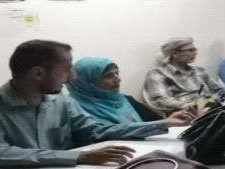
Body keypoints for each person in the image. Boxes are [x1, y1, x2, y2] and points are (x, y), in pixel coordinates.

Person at [0, 40, 139, 169]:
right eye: (67, 69)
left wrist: (154, 126)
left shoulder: (61, 100)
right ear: (38, 73)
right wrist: (79, 156)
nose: (72, 77)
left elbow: (95, 131)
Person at [67, 57, 195, 137]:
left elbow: (159, 121)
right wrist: (164, 123)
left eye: (117, 73)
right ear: (88, 82)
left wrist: (181, 117)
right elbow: (99, 133)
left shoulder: (124, 100)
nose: (118, 79)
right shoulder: (73, 106)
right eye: (109, 76)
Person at [143, 37, 225, 114]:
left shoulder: (200, 71)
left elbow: (218, 90)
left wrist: (215, 100)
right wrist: (188, 106)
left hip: (214, 110)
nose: (195, 53)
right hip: (187, 115)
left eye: (195, 50)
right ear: (174, 53)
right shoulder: (158, 73)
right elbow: (160, 100)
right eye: (190, 50)